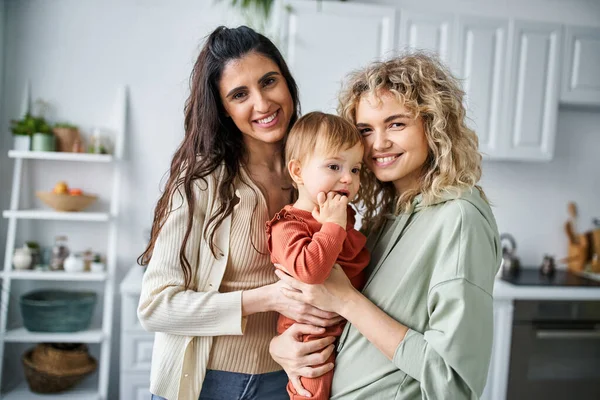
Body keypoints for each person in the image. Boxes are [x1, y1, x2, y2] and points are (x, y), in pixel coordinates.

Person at [269, 52, 502, 399]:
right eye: (366, 130)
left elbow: (453, 382)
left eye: (396, 123)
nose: (378, 144)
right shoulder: (385, 217)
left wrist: (346, 300)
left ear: (433, 124)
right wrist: (281, 348)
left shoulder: (459, 218)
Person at [137, 26, 342, 400]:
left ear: (287, 83)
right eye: (239, 94)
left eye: (269, 82)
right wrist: (268, 298)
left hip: (290, 380)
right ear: (225, 110)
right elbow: (154, 308)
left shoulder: (319, 170)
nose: (262, 104)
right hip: (209, 383)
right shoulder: (203, 181)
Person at [266, 112, 370, 400]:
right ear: (297, 172)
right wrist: (333, 225)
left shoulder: (344, 215)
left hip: (348, 329)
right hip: (310, 336)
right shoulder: (288, 225)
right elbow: (312, 271)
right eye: (334, 166)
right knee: (312, 390)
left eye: (356, 169)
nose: (347, 178)